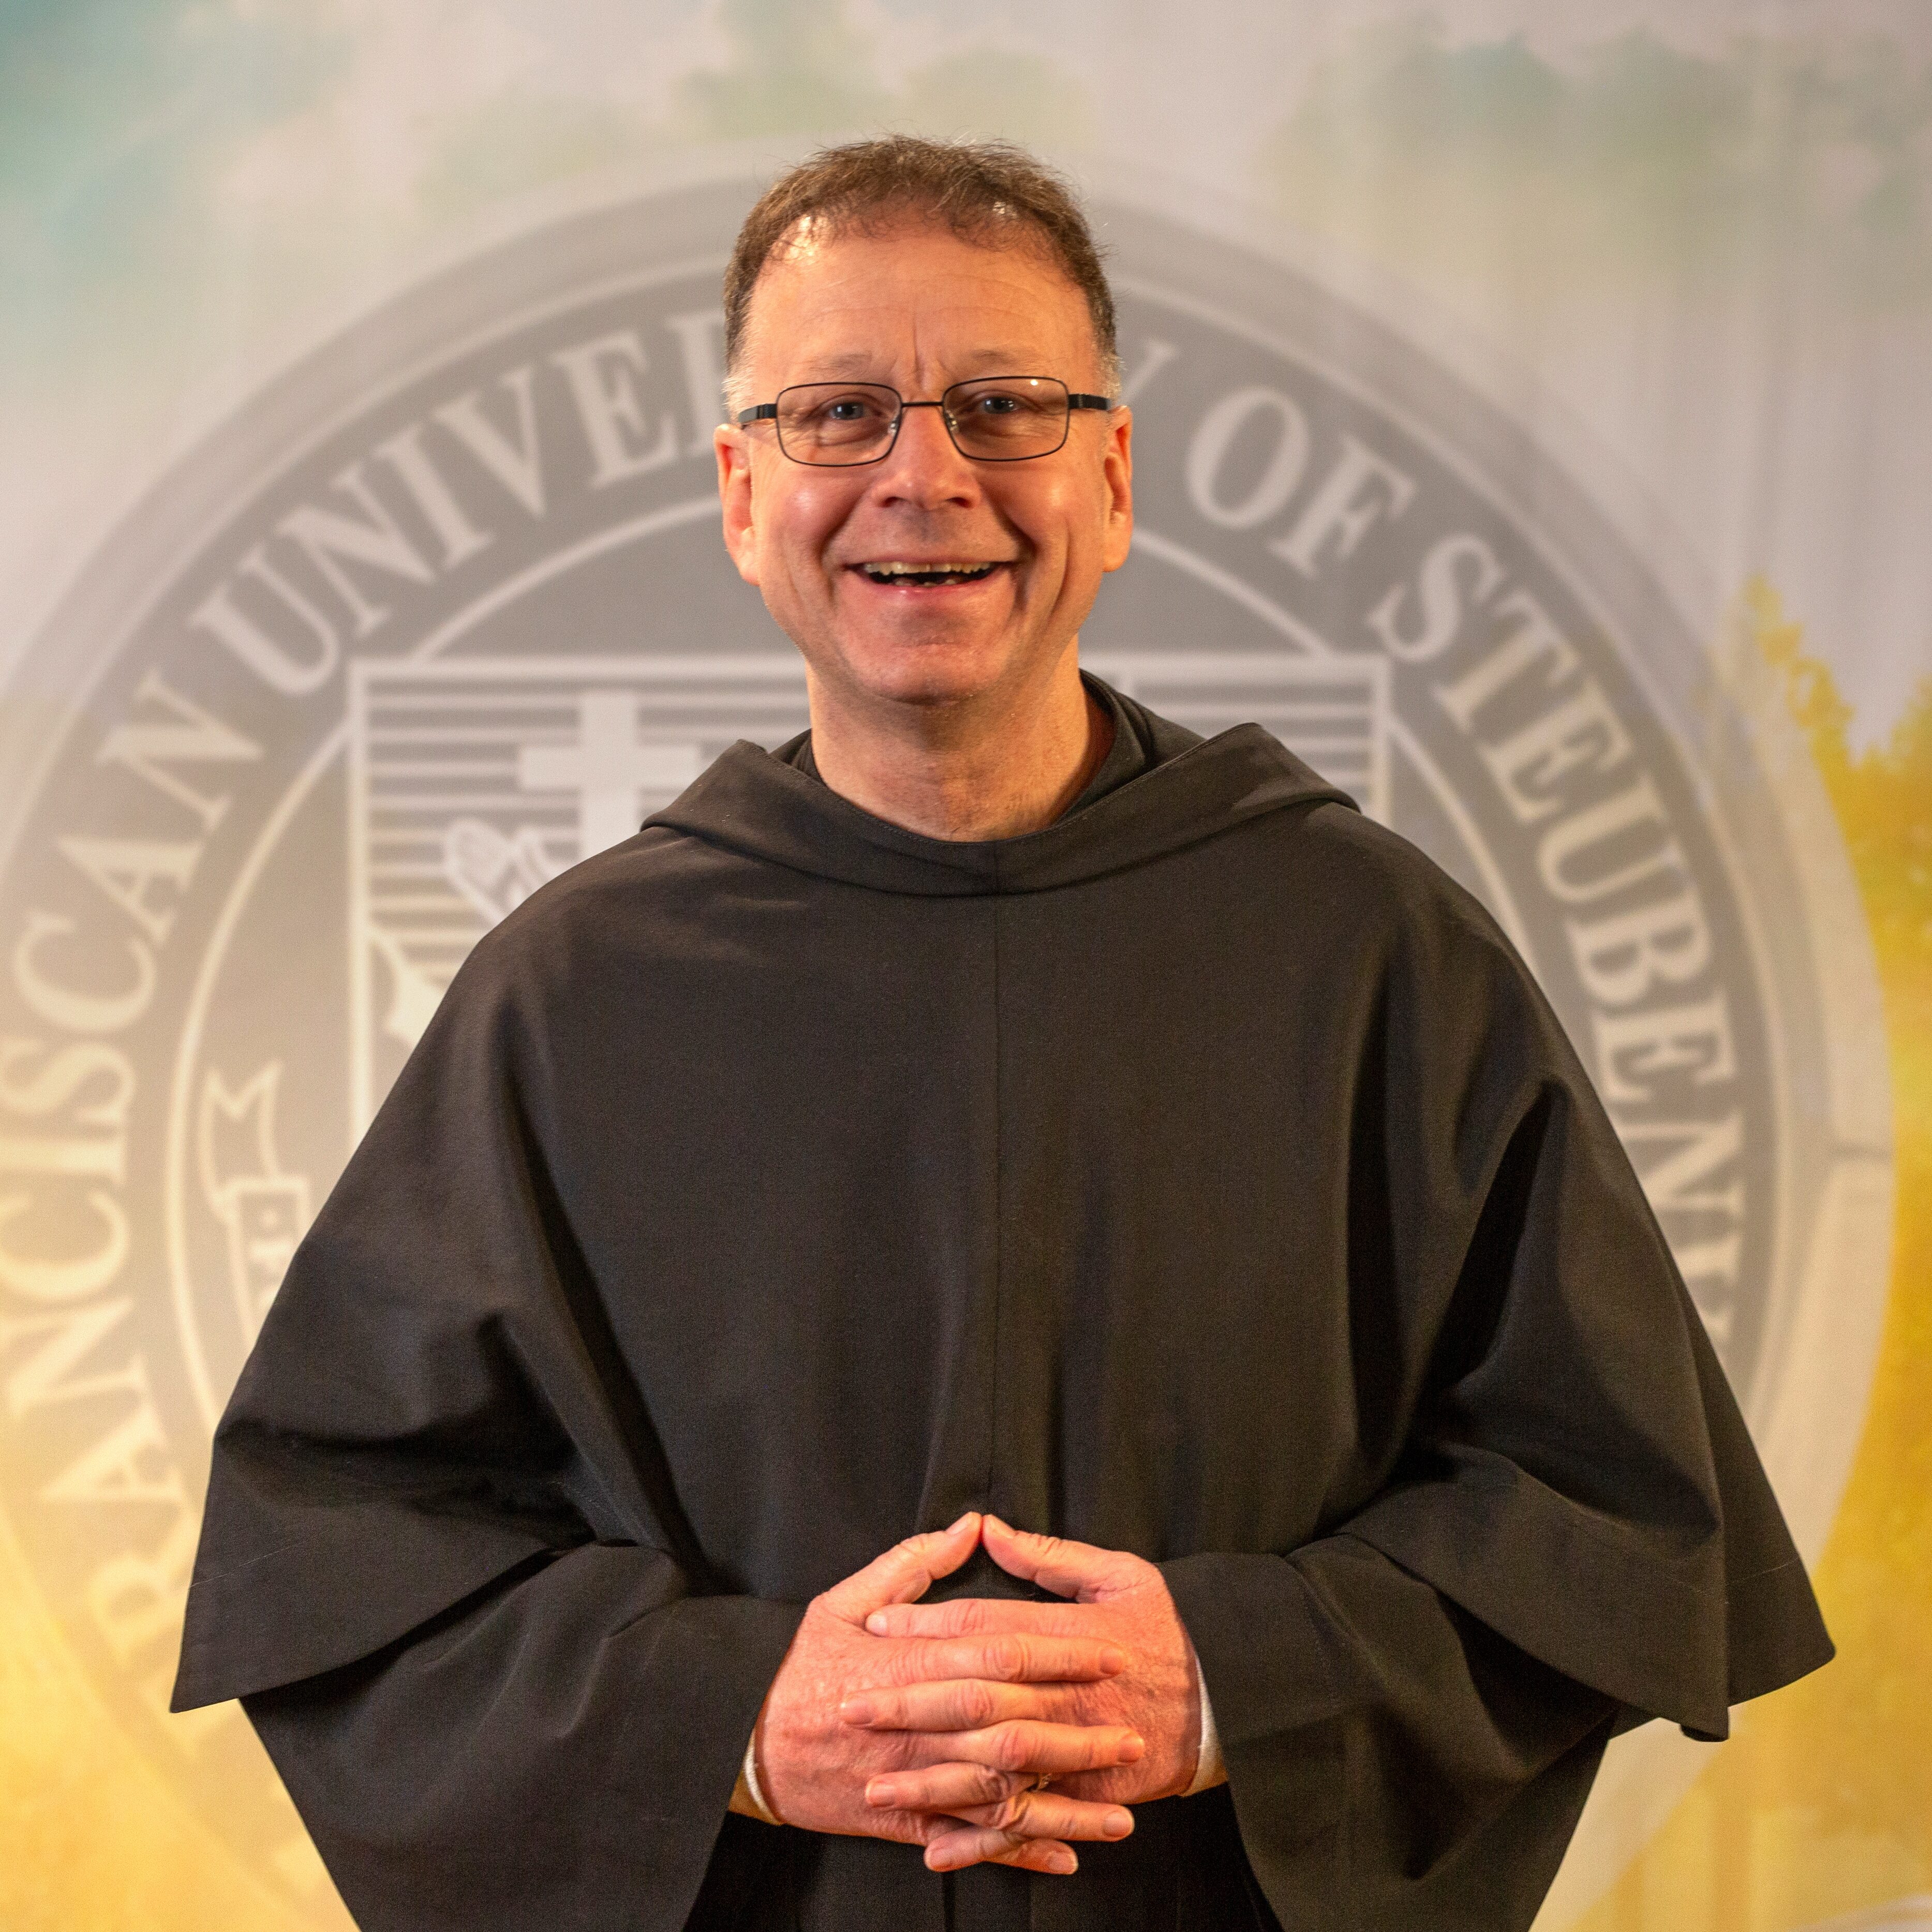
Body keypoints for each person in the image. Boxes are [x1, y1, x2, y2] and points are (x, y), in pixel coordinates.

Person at [173, 137, 1832, 1932]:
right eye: (839, 415)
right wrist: (729, 1718)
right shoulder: (568, 1001)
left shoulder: (1375, 956)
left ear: (1111, 480)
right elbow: (337, 1554)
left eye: (1003, 405)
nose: (924, 476)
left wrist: (1234, 1677)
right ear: (742, 496)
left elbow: (1614, 1519)